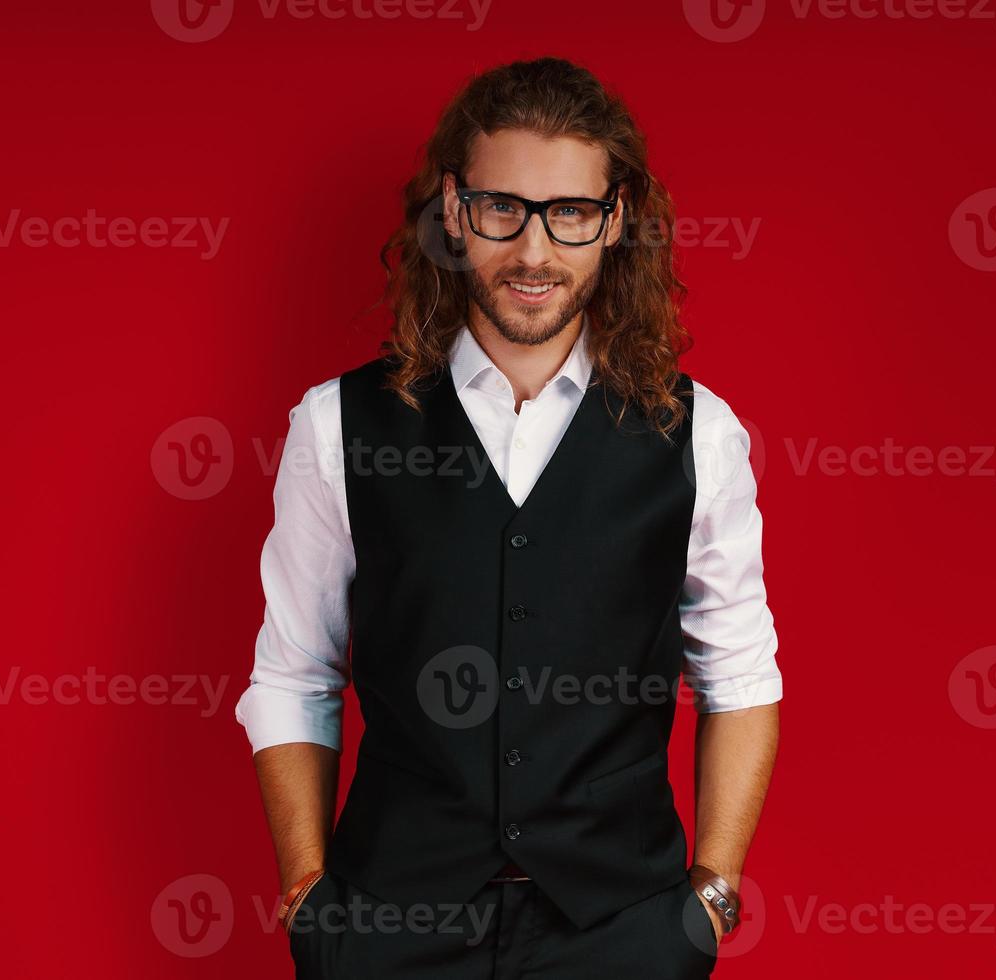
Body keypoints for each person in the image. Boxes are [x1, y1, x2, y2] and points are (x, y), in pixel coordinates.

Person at [236, 56, 782, 979]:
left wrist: (711, 899)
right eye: (503, 208)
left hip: (623, 933)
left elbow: (740, 673)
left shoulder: (700, 434)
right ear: (453, 211)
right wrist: (310, 897)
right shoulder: (337, 425)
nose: (535, 251)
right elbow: (292, 673)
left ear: (615, 222)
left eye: (569, 212)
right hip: (390, 931)